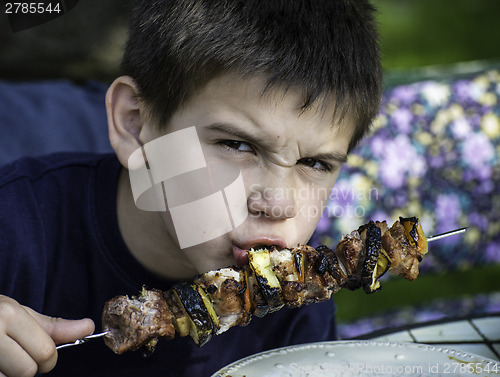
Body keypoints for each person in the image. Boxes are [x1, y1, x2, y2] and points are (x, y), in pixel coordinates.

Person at [0, 0, 382, 376]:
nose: (279, 204)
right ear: (135, 124)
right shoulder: (14, 230)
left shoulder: (299, 308)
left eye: (315, 163)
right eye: (237, 145)